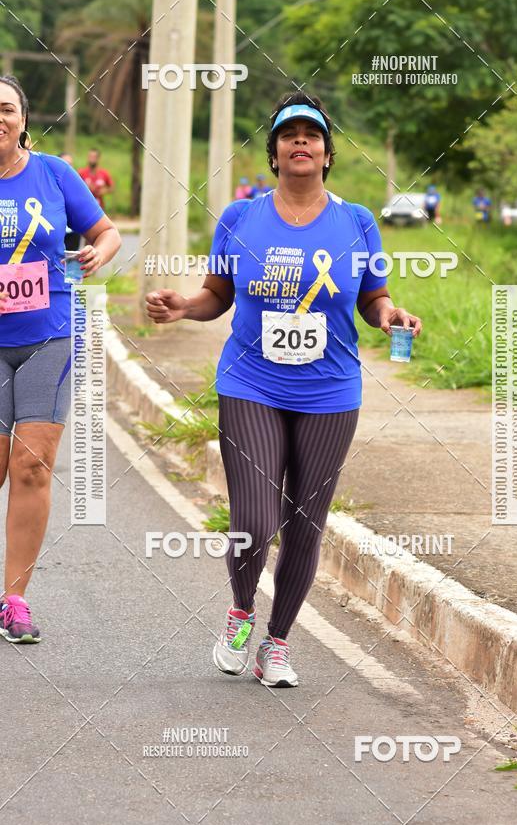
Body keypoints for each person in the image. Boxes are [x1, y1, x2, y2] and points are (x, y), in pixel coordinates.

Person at [146, 91, 422, 688]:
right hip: (251, 383)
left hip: (330, 391)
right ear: (273, 153)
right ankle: (242, 610)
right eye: (289, 134)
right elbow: (216, 294)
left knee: (305, 524)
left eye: (312, 135)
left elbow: (373, 297)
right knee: (254, 516)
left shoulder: (357, 222)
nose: (301, 141)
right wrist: (183, 307)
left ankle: (277, 643)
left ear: (326, 154)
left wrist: (391, 316)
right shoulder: (240, 218)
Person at [0, 75, 121, 643]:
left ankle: (14, 600)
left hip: (48, 336)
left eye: (6, 108)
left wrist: (99, 252)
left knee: (32, 465)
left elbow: (105, 231)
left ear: (24, 119)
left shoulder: (54, 174)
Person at [59, 153, 80, 251]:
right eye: (65, 164)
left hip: (73, 235)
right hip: (57, 236)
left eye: (70, 164)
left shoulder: (78, 187)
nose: (68, 168)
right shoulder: (48, 188)